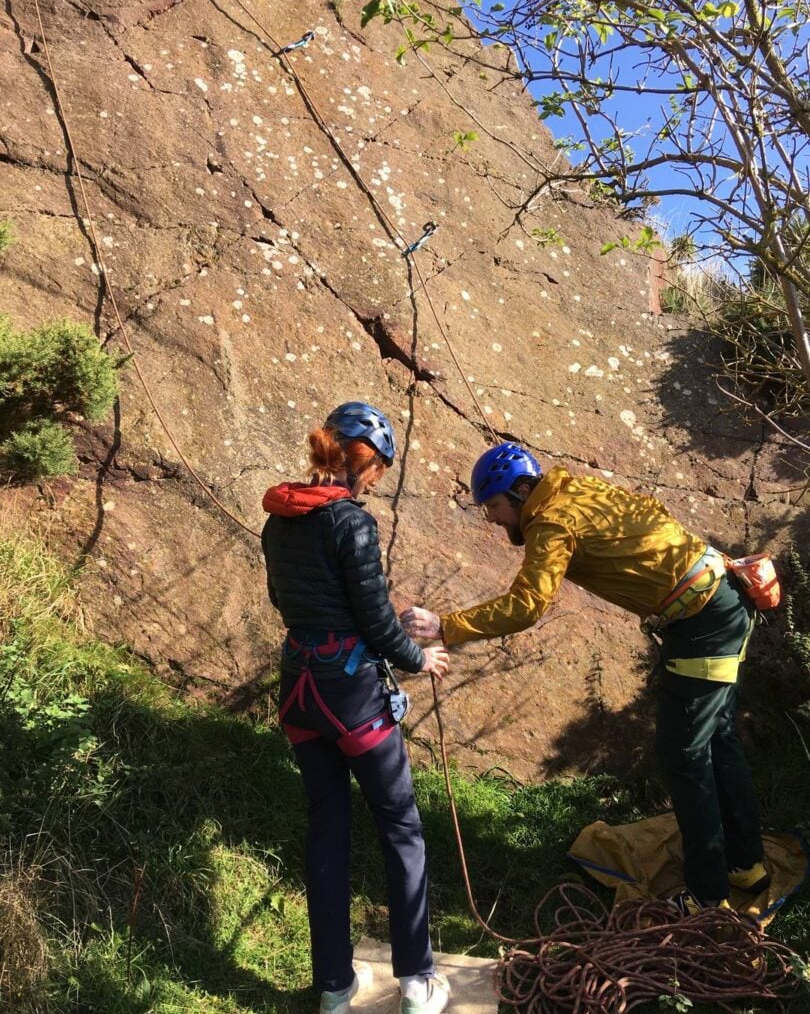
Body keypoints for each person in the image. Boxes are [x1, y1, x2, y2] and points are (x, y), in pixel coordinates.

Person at [401, 442, 769, 915]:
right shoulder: (576, 488)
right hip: (722, 599)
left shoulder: (552, 522)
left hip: (702, 624)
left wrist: (446, 627)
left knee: (686, 755)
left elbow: (527, 605)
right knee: (716, 740)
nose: (490, 519)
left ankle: (706, 897)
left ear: (520, 490)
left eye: (493, 506)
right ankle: (745, 865)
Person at [261, 402, 452, 1014]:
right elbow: (372, 617)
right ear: (366, 463)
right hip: (352, 698)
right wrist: (418, 659)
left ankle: (335, 988)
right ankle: (418, 984)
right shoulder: (351, 523)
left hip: (298, 690)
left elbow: (283, 599)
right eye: (379, 473)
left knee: (328, 828)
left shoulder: (279, 517)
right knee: (400, 827)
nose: (376, 484)